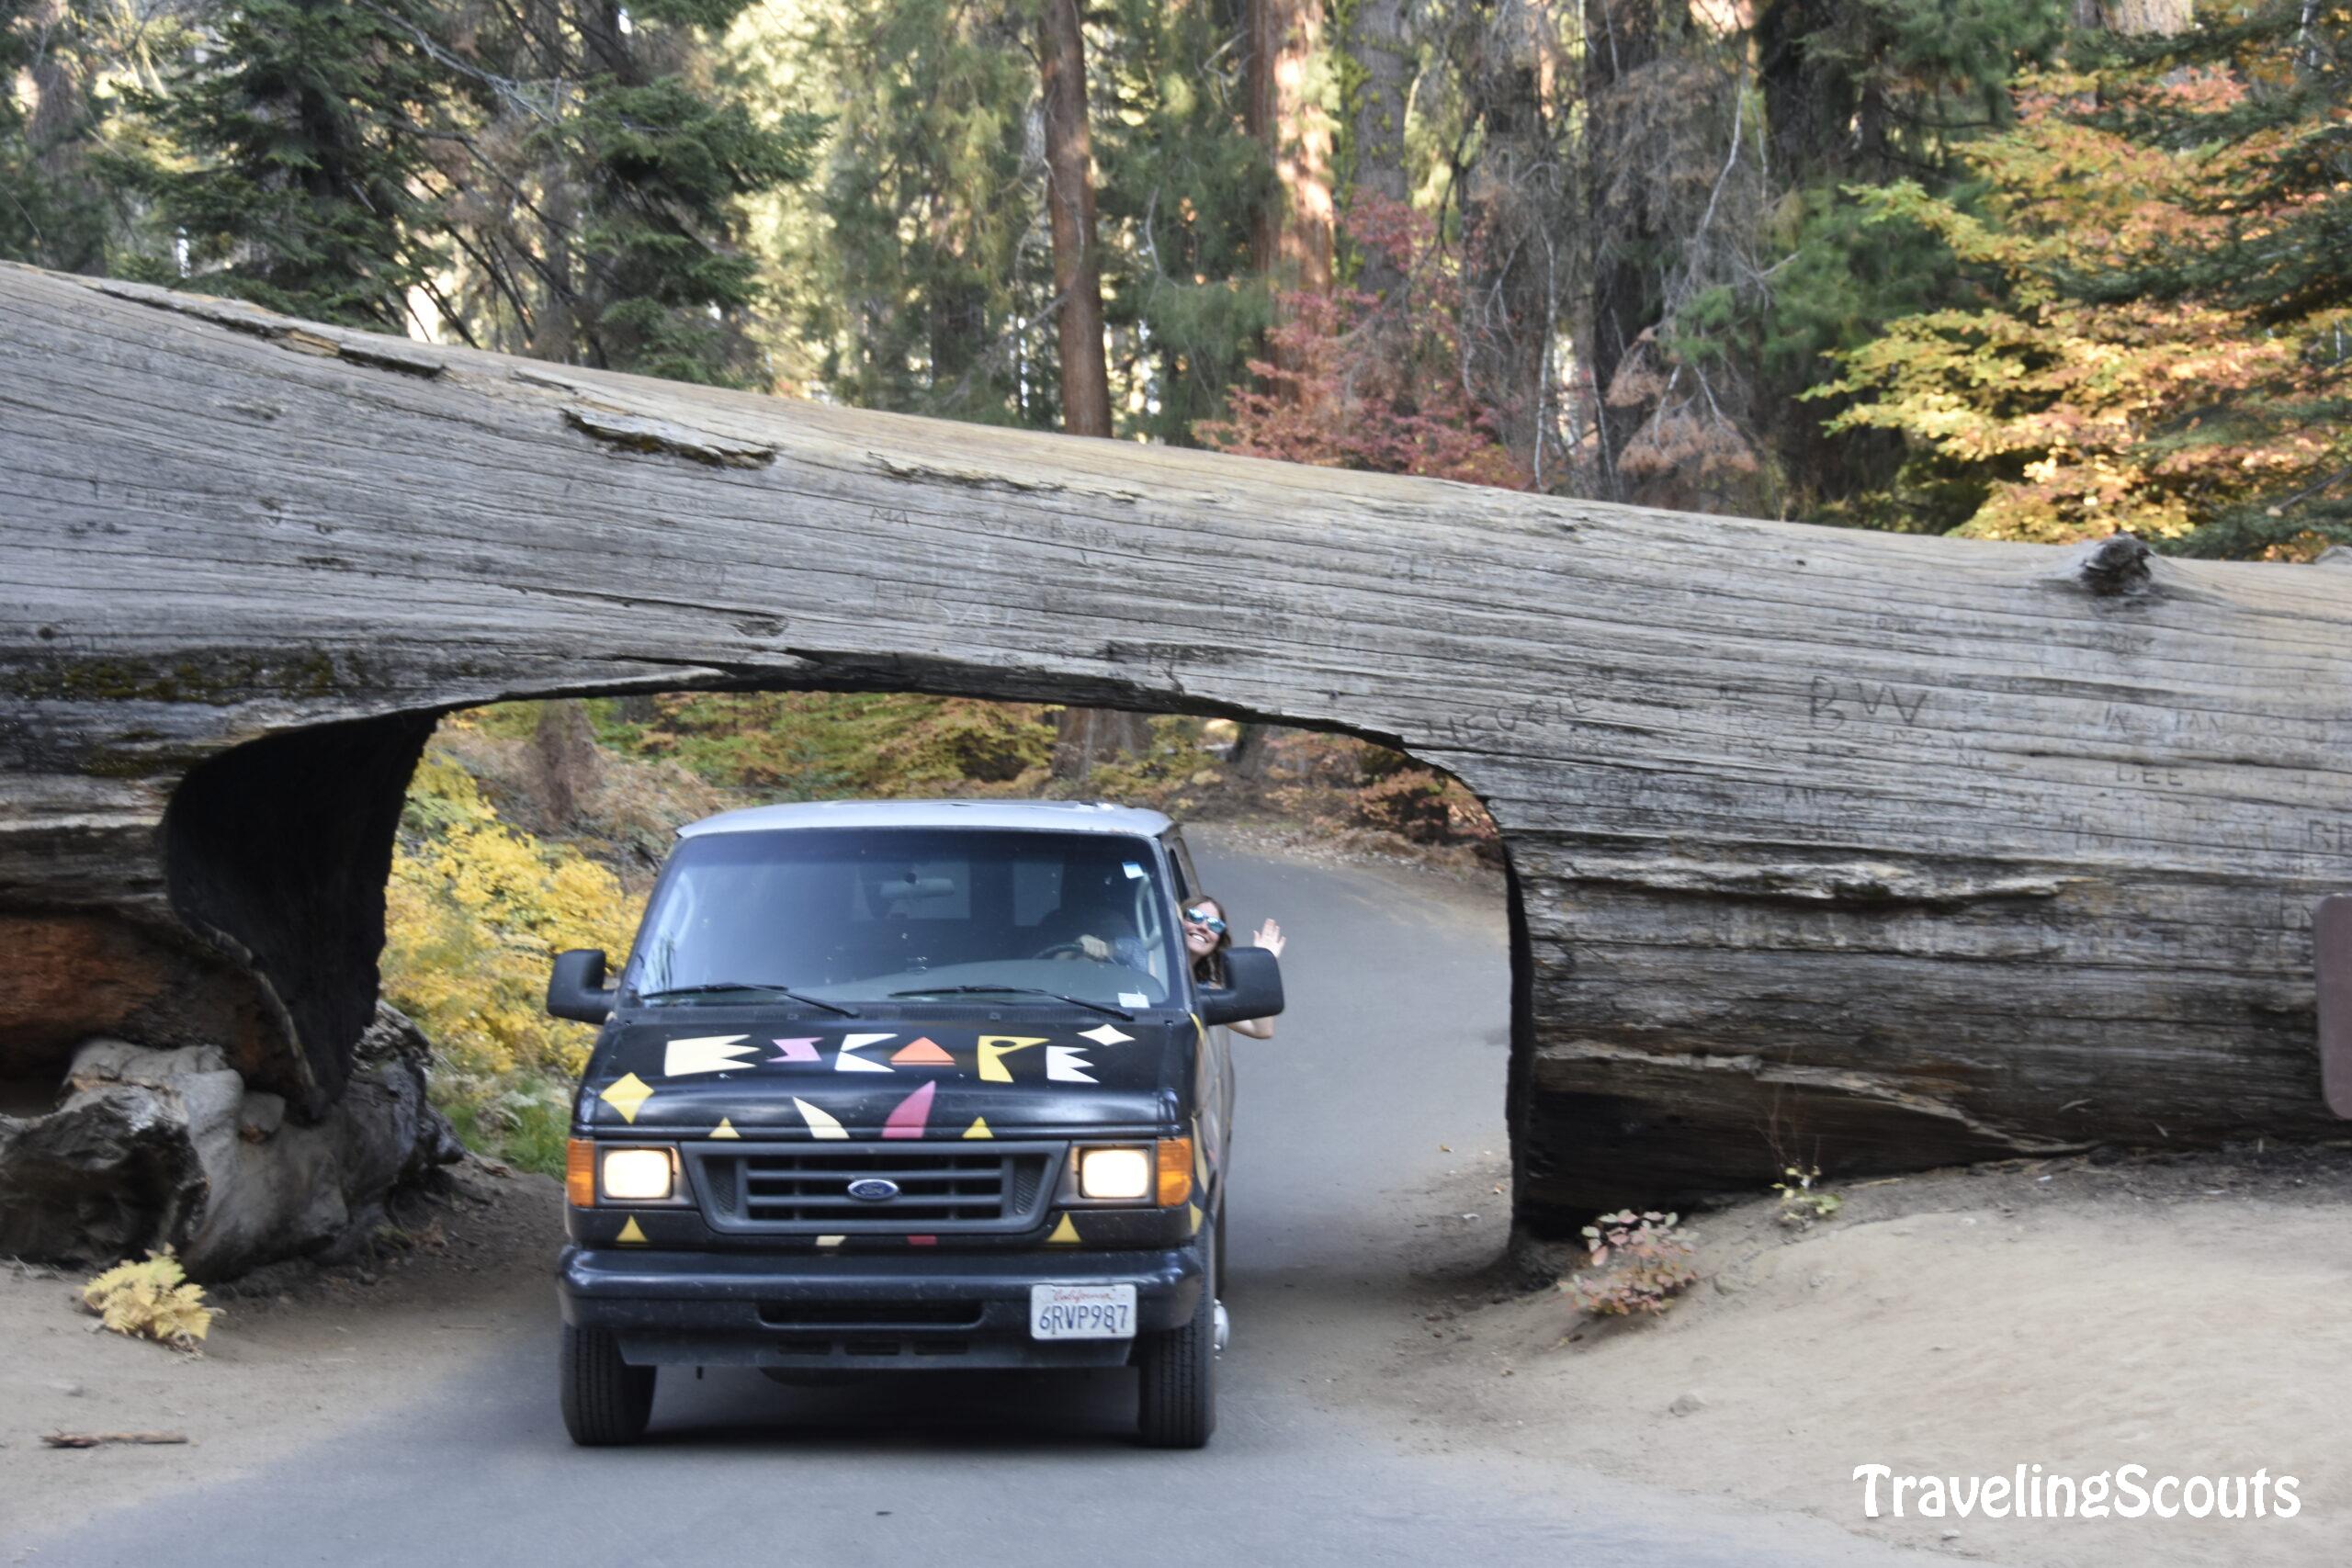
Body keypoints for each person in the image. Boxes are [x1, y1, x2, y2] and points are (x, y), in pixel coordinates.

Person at [1182, 894, 1283, 1039]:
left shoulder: (1206, 990)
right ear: (1179, 919)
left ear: (1218, 941)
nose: (1204, 927)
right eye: (1195, 916)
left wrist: (1262, 962)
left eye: (1215, 925)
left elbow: (1261, 1030)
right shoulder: (1140, 961)